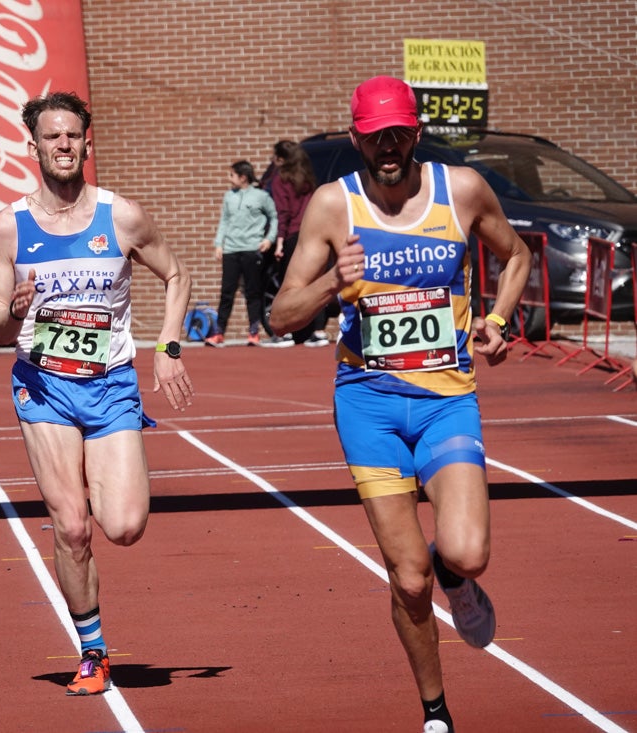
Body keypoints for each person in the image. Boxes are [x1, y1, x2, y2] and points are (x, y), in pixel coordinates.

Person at [269, 76, 531, 733]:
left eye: (399, 133)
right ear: (356, 137)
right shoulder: (334, 206)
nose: (388, 146)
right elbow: (279, 314)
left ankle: (457, 575)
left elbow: (517, 255)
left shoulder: (461, 189)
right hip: (369, 404)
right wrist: (335, 281)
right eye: (375, 135)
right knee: (408, 578)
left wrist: (497, 320)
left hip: (446, 397)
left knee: (465, 553)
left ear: (415, 133)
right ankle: (436, 712)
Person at [0, 91, 194, 696]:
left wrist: (169, 346)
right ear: (34, 146)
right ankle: (93, 650)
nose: (64, 146)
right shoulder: (7, 227)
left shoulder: (121, 216)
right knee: (72, 527)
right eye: (52, 137)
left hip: (110, 385)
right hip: (42, 386)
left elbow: (176, 273)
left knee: (124, 526)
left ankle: (96, 523)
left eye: (73, 135)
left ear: (87, 143)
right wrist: (9, 311)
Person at [205, 161, 277, 347]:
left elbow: (274, 217)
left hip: (252, 249)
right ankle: (218, 333)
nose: (228, 179)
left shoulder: (261, 196)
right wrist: (218, 244)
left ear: (243, 177)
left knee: (252, 293)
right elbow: (224, 220)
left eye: (232, 175)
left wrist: (269, 239)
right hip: (231, 250)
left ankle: (254, 333)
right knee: (227, 292)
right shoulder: (229, 196)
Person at [266, 140, 327, 348]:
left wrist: (280, 242)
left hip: (293, 236)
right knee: (315, 282)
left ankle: (287, 334)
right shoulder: (307, 177)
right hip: (313, 231)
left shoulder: (280, 180)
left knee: (291, 285)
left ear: (281, 159)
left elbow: (284, 213)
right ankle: (318, 331)